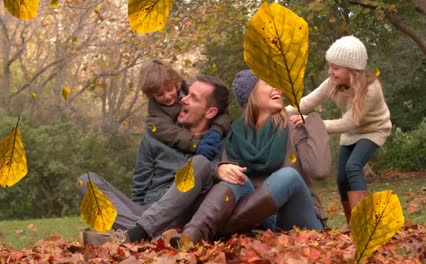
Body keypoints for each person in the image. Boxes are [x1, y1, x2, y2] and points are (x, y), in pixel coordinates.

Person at [170, 69, 332, 247]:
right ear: (251, 95)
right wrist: (220, 170)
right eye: (269, 83)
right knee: (235, 177)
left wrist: (314, 121)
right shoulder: (233, 139)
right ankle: (193, 235)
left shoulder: (294, 127)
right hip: (265, 226)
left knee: (288, 176)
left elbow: (320, 171)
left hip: (303, 223)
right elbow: (222, 187)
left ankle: (217, 231)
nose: (278, 88)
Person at [76, 75, 231, 245]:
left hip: (183, 216)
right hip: (148, 211)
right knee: (86, 181)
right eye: (187, 94)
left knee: (200, 162)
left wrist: (216, 169)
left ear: (210, 112)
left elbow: (228, 186)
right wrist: (141, 215)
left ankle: (138, 234)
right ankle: (145, 233)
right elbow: (140, 184)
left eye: (193, 97)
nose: (183, 99)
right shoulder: (158, 135)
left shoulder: (224, 141)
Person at [286, 36, 392, 223]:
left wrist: (311, 123)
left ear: (352, 70)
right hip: (351, 134)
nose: (330, 72)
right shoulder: (332, 82)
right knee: (342, 178)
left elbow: (347, 123)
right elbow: (307, 102)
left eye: (336, 68)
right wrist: (278, 112)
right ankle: (353, 225)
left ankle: (365, 224)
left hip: (374, 130)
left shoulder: (371, 89)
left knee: (353, 167)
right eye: (330, 66)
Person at [140, 59, 231, 160]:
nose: (167, 96)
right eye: (160, 94)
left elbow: (220, 111)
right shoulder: (156, 117)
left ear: (175, 83)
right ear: (151, 95)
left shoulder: (190, 90)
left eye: (170, 90)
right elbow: (172, 134)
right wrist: (195, 144)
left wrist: (216, 130)